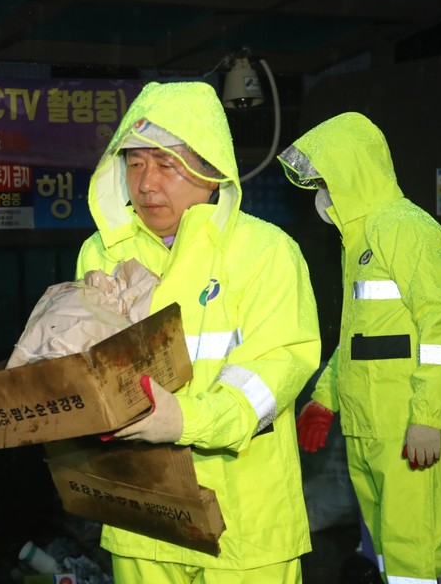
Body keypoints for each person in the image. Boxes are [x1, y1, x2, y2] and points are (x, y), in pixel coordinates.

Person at [77, 81, 322, 582]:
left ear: (211, 173)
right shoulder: (101, 254)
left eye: (167, 165)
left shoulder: (265, 252)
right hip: (142, 521)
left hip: (244, 526)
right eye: (136, 162)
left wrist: (185, 420)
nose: (146, 183)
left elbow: (275, 370)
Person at [277, 112, 441, 584]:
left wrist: (426, 417)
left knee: (417, 560)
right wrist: (326, 397)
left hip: (408, 430)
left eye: (326, 179)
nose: (321, 193)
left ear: (353, 172)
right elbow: (359, 339)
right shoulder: (358, 240)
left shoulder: (406, 229)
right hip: (371, 430)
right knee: (389, 558)